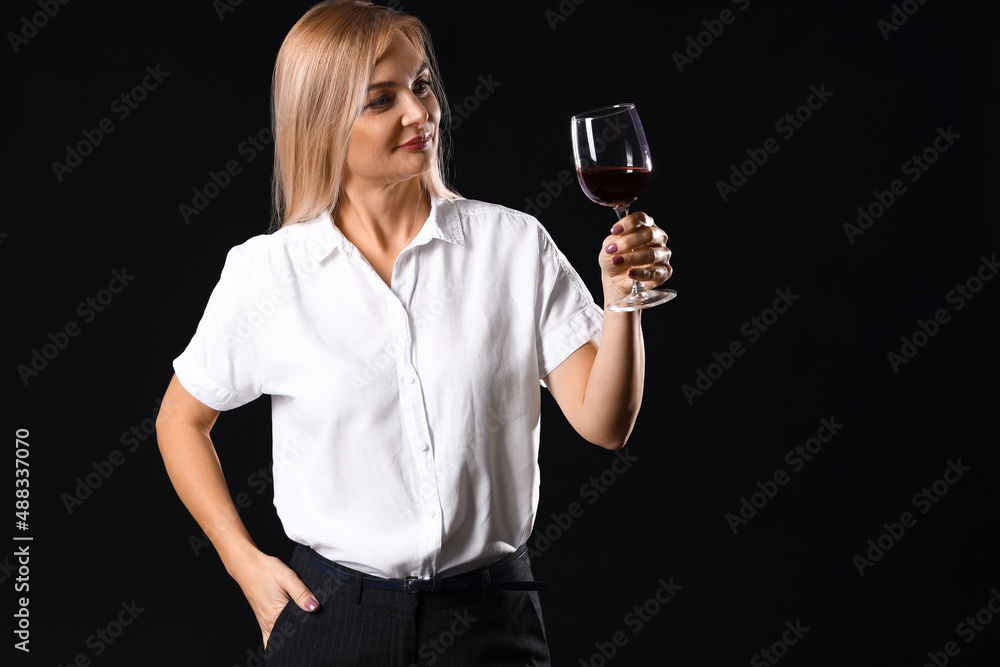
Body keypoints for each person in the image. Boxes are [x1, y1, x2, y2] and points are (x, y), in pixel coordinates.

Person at [155, 1, 673, 664]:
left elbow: (606, 424)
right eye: (381, 99)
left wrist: (623, 300)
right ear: (321, 121)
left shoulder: (513, 246)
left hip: (491, 622)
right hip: (332, 621)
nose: (419, 112)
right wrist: (243, 562)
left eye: (422, 85)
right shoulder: (268, 272)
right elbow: (181, 420)